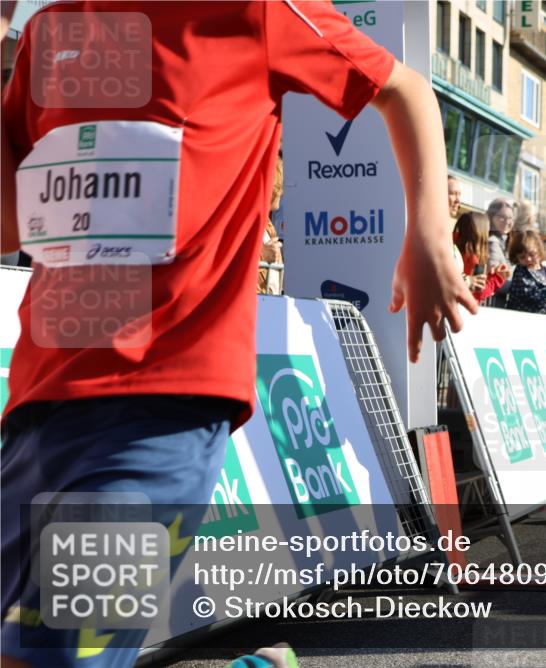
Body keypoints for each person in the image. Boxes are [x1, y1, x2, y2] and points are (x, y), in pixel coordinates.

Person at [0, 4, 476, 667]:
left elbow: (404, 90)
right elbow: (9, 222)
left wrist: (428, 233)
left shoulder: (251, 10)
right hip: (37, 408)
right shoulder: (48, 31)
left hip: (164, 408)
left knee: (50, 659)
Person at [505, 230, 546, 329]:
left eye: (532, 254)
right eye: (522, 257)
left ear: (539, 250)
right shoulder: (520, 271)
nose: (528, 259)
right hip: (521, 323)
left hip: (541, 322)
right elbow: (530, 295)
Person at [454, 211, 506, 304]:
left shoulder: (450, 246)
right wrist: (497, 278)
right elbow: (480, 291)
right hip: (464, 307)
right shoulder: (474, 258)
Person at [259, 156, 285, 295]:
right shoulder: (240, 221)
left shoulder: (267, 224)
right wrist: (262, 255)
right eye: (279, 185)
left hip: (270, 306)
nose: (282, 192)